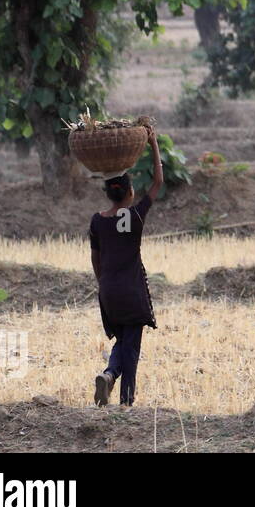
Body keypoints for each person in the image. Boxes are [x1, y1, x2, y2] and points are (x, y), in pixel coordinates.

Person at [89, 126, 163, 406]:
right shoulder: (136, 216)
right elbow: (158, 182)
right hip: (131, 291)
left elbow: (95, 259)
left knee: (124, 342)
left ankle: (109, 376)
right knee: (131, 348)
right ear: (130, 191)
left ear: (109, 194)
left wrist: (103, 283)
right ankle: (126, 403)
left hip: (108, 291)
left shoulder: (97, 221)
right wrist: (153, 142)